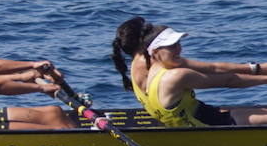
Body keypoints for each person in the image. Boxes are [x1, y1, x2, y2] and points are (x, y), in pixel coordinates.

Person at [111, 17, 267, 126]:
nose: (179, 49)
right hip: (203, 126)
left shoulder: (143, 65)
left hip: (198, 113)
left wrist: (258, 68)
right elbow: (229, 80)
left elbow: (214, 68)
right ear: (152, 50)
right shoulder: (176, 75)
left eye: (178, 43)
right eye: (172, 46)